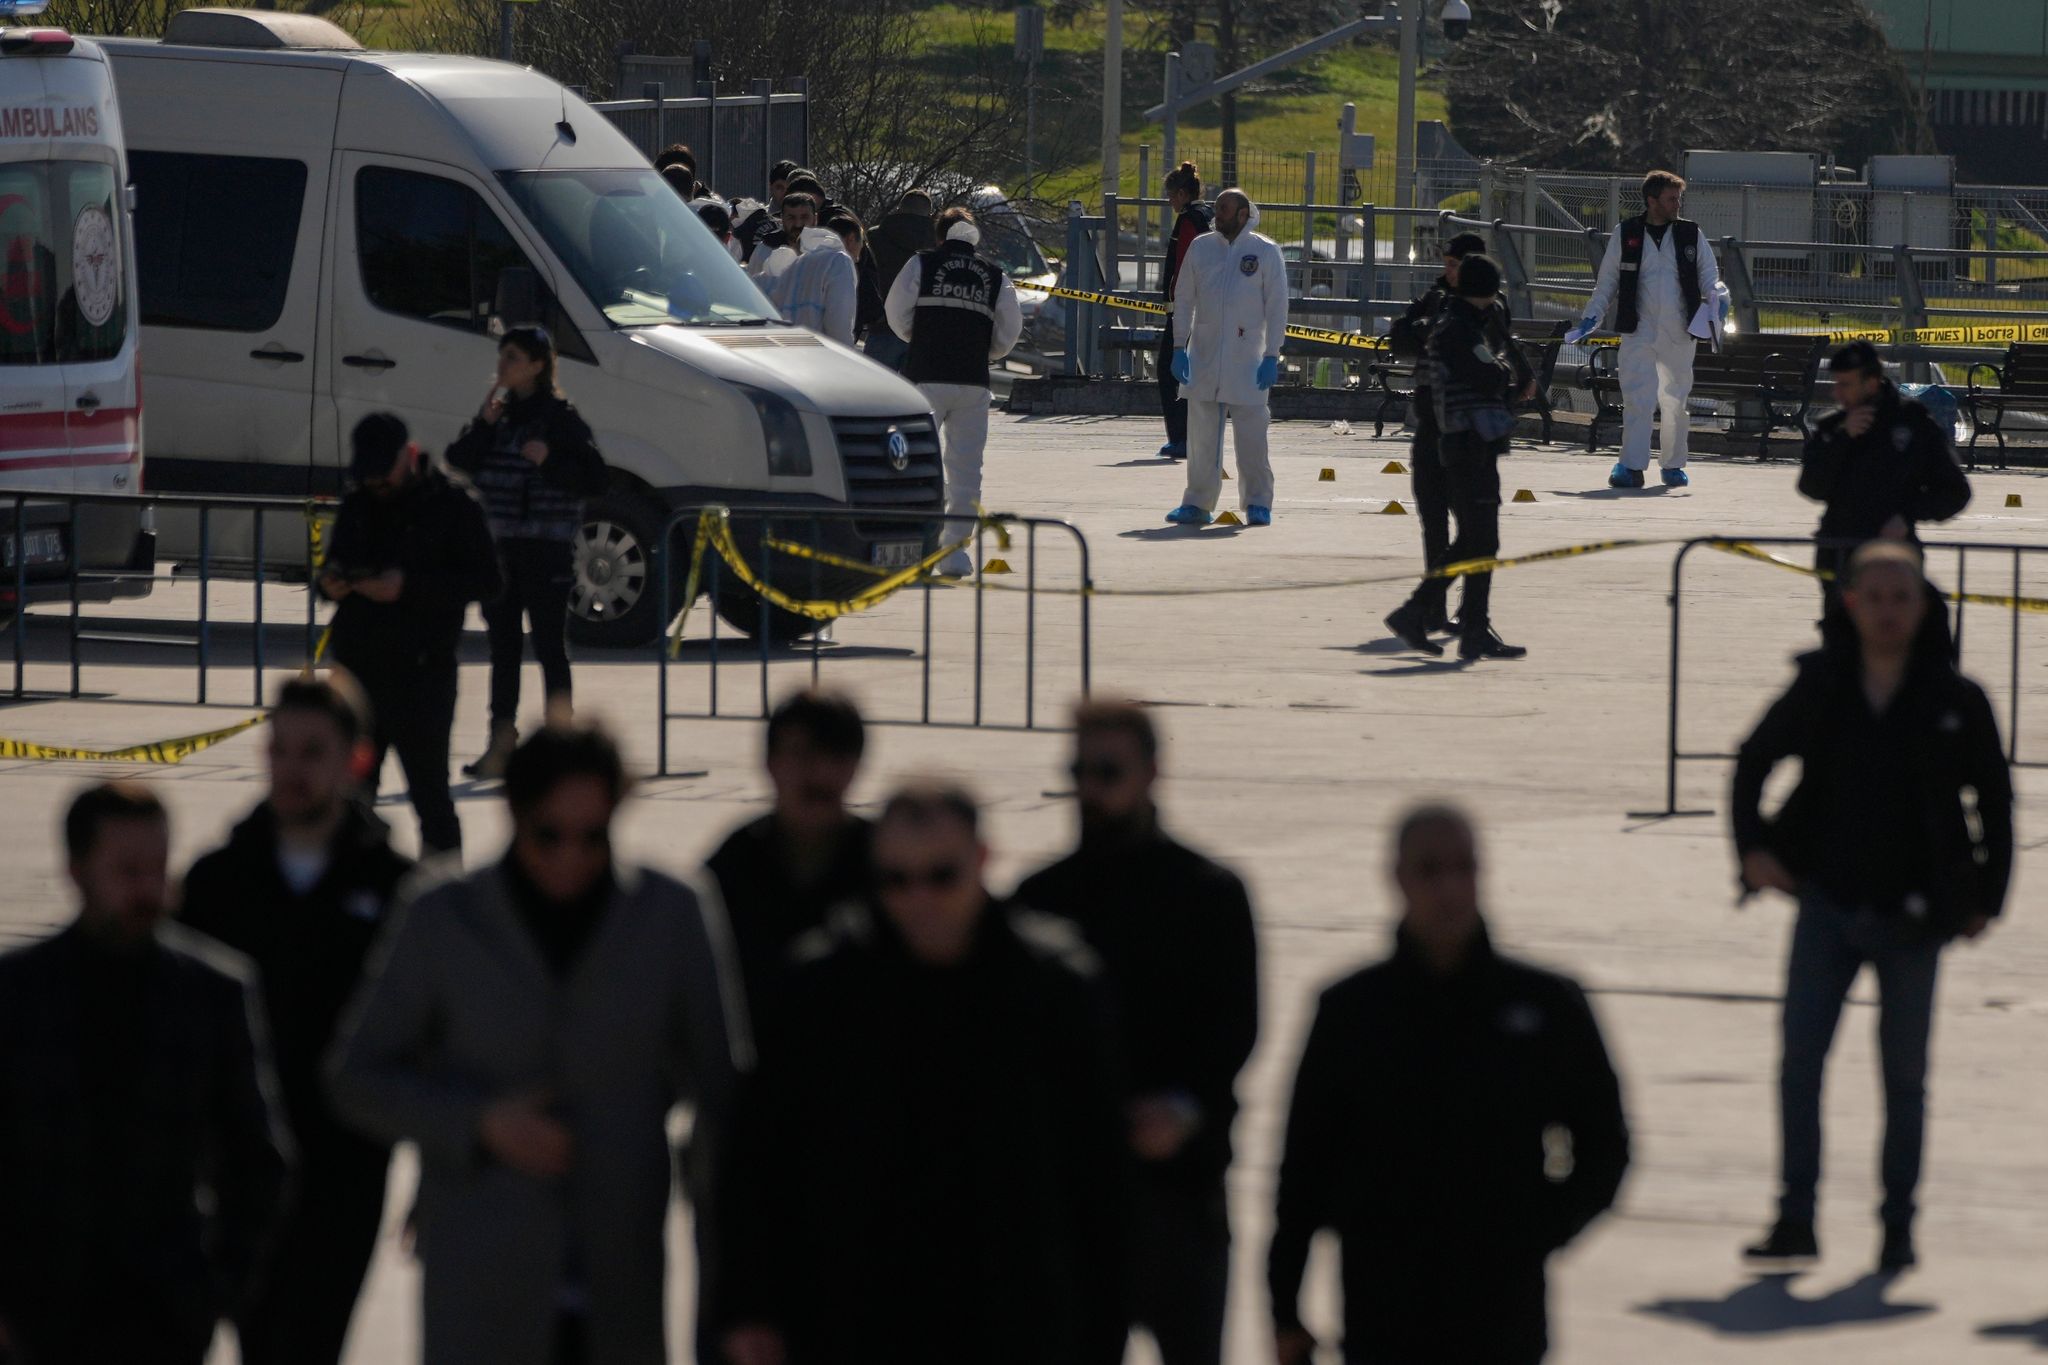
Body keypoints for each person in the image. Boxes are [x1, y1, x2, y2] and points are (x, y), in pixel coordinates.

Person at [329, 722, 751, 1365]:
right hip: (482, 1276)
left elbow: (727, 1096)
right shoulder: (443, 916)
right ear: (515, 814)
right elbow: (357, 1076)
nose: (570, 858)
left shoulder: (673, 914)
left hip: (619, 1281)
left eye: (593, 837)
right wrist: (477, 1122)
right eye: (548, 835)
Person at [718, 782, 1128, 1365]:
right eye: (897, 879)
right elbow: (759, 1157)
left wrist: (1103, 1332)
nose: (919, 898)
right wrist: (748, 1305)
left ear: (983, 861)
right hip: (856, 1319)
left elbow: (1101, 1181)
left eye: (942, 876)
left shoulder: (1053, 989)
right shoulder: (822, 991)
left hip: (1012, 1320)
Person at [1731, 541, 2012, 1274]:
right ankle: (1795, 1219)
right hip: (1826, 904)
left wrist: (1989, 896)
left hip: (1916, 919)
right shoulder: (1822, 683)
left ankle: (1897, 1228)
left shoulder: (1956, 699)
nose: (1889, 611)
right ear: (1851, 604)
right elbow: (1753, 760)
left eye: (1902, 597)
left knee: (1904, 1080)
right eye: (1876, 597)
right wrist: (1752, 849)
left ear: (1923, 608)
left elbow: (1995, 801)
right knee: (1799, 1066)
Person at [1268, 804, 1629, 1365]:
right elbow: (1303, 1171)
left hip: (1501, 1317)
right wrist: (1284, 1309)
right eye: (1430, 870)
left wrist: (1533, 1233)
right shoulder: (1351, 1011)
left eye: (1464, 868)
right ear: (1397, 878)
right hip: (1383, 1312)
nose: (1450, 887)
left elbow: (1606, 1143)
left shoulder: (1544, 1005)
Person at [0, 783, 290, 1365]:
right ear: (77, 872)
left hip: (164, 1319)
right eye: (128, 870)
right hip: (38, 1318)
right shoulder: (17, 994)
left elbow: (257, 1158)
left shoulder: (212, 993)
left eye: (158, 868)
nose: (148, 889)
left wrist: (217, 1291)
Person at [177, 675, 413, 1365]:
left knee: (314, 1341)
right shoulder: (217, 882)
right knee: (260, 1338)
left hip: (348, 1163)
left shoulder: (396, 888)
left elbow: (431, 1035)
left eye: (314, 751)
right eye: (280, 749)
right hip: (240, 1166)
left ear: (356, 761)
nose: (292, 768)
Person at [1016, 701, 1257, 1365]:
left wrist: (1183, 1108)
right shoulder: (1037, 901)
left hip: (1180, 1191)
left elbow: (1235, 1027)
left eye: (1108, 770)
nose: (1090, 787)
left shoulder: (1211, 893)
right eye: (1080, 770)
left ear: (1152, 772)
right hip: (1071, 1203)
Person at [320, 413, 501, 857]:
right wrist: (331, 581)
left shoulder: (453, 503)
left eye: (384, 471)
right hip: (358, 673)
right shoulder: (360, 501)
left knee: (430, 797)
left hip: (422, 674)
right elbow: (332, 565)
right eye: (369, 473)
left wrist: (409, 586)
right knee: (349, 798)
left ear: (410, 454)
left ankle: (443, 900)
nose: (377, 482)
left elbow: (489, 582)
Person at [447, 326, 608, 781]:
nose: (502, 366)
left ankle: (564, 747)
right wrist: (483, 424)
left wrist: (550, 461)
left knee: (550, 647)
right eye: (502, 357)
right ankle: (501, 743)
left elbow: (596, 479)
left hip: (547, 548)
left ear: (538, 365)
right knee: (502, 649)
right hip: (500, 551)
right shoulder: (498, 415)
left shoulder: (560, 419)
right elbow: (458, 459)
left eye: (512, 358)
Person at [704, 689, 873, 1042]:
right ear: (770, 763)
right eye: (801, 755)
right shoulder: (732, 866)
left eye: (835, 756)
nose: (819, 772)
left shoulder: (894, 866)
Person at [1384, 254, 1527, 660]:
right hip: (1467, 446)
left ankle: (1474, 629)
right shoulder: (1458, 330)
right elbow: (1490, 376)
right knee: (1475, 538)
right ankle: (1416, 609)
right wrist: (1504, 372)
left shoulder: (1468, 324)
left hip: (1473, 443)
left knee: (1481, 539)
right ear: (1486, 289)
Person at [1799, 340, 1971, 648]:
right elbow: (1811, 486)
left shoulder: (1913, 424)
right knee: (1841, 651)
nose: (1838, 394)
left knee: (1903, 646)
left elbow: (1954, 492)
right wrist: (1841, 440)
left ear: (1872, 382)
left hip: (1896, 557)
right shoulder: (1833, 427)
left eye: (1846, 385)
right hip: (1840, 552)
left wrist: (1907, 515)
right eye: (1836, 384)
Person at [884, 206, 1025, 577]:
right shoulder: (996, 276)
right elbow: (1009, 332)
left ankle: (919, 549)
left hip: (924, 376)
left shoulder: (921, 264)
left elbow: (895, 312)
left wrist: (919, 337)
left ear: (940, 237)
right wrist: (981, 350)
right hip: (972, 380)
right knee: (966, 469)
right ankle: (955, 554)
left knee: (919, 464)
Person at [1581, 169, 1721, 489]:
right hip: (1638, 328)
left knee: (1674, 400)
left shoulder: (1690, 234)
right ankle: (1630, 466)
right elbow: (1607, 282)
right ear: (1652, 200)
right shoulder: (1626, 232)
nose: (1677, 204)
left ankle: (1673, 465)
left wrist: (1718, 299)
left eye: (1679, 198)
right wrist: (1592, 316)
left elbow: (1710, 276)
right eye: (1671, 199)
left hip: (1680, 331)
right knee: (1637, 399)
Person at [1163, 188, 1287, 528]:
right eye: (1217, 207)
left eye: (1225, 208)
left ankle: (1258, 503)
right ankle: (1197, 503)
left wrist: (1272, 354)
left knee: (1252, 439)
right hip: (1202, 354)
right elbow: (1184, 297)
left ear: (1243, 214)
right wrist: (1178, 347)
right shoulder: (1201, 248)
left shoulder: (1264, 251)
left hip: (1248, 359)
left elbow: (1277, 307)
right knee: (1201, 437)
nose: (1217, 214)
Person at [1385, 231, 1488, 634]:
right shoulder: (1434, 298)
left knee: (1473, 527)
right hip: (1431, 425)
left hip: (1466, 430)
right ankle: (1434, 611)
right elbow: (1401, 337)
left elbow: (1482, 353)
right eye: (1446, 264)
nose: (1446, 271)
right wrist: (1424, 329)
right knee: (1433, 521)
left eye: (1454, 265)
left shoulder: (1486, 306)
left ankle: (1472, 612)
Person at [1154, 161, 1214, 461]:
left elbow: (1184, 268)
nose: (1169, 201)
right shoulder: (1209, 214)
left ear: (1181, 193)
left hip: (1185, 308)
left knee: (1169, 371)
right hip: (1208, 307)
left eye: (1170, 195)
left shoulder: (1189, 220)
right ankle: (1195, 436)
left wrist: (1176, 303)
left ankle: (1180, 437)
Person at [867, 190, 936, 370]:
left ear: (899, 210)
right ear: (929, 214)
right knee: (914, 396)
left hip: (882, 325)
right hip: (922, 331)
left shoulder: (874, 237)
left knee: (872, 393)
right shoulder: (939, 246)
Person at [777, 208, 860, 346]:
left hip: (789, 348)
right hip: (821, 353)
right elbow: (838, 321)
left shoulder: (798, 262)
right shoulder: (839, 261)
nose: (858, 257)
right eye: (860, 247)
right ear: (852, 239)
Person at [749, 190, 816, 304]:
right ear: (782, 219)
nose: (798, 224)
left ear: (815, 219)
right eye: (791, 218)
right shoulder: (765, 249)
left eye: (804, 217)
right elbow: (752, 290)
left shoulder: (825, 253)